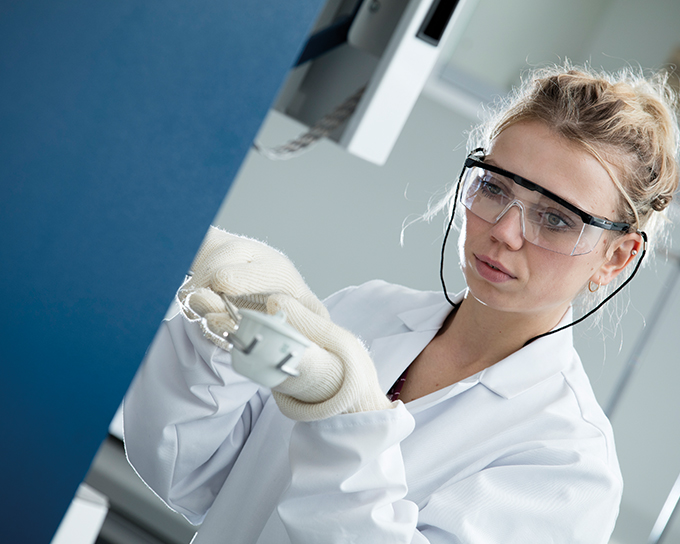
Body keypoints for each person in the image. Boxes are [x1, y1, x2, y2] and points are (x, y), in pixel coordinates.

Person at [123, 64, 679, 543]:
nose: (505, 231)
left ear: (616, 257)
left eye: (555, 218)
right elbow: (187, 475)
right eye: (496, 189)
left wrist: (348, 417)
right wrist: (218, 338)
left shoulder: (568, 463)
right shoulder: (365, 312)